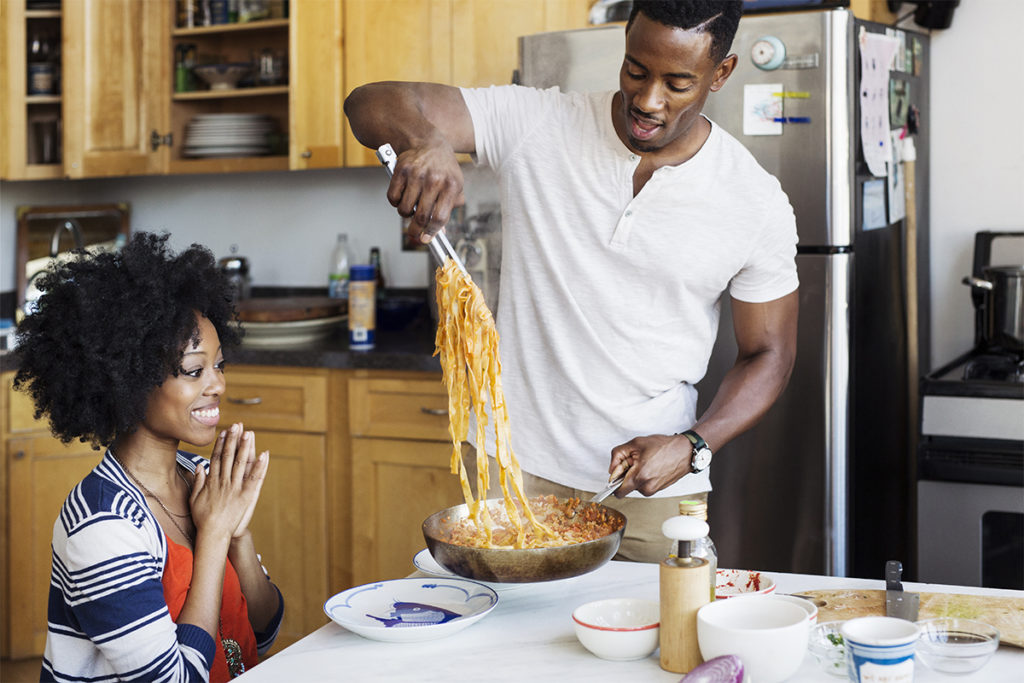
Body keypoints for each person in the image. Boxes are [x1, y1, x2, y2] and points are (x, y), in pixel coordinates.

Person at [344, 0, 799, 562]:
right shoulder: (538, 123)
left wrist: (694, 445)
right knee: (501, 646)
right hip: (511, 471)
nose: (648, 101)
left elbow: (769, 354)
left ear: (721, 74)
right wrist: (427, 139)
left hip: (653, 485)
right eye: (636, 70)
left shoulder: (754, 200)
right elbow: (370, 102)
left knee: (673, 641)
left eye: (677, 83)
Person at [14, 232, 284, 682]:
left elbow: (260, 634)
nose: (217, 385)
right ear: (131, 379)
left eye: (219, 365)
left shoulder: (199, 476)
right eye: (195, 370)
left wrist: (238, 536)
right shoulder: (102, 524)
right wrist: (214, 535)